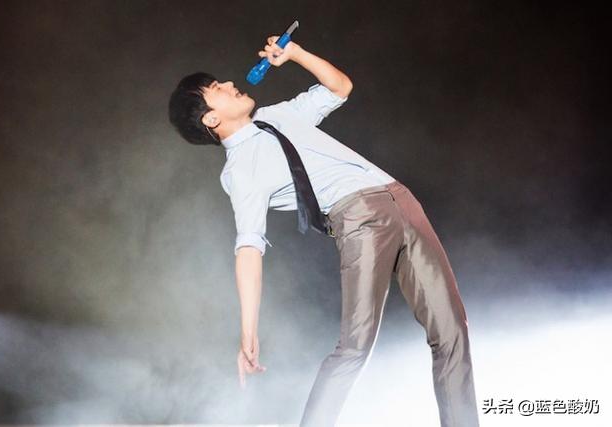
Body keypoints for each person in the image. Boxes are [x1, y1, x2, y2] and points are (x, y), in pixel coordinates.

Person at [168, 35, 480, 427]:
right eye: (217, 89)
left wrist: (296, 54)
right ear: (211, 119)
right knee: (355, 347)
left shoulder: (277, 115)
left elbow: (340, 87)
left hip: (401, 199)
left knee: (453, 330)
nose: (230, 84)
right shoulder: (240, 170)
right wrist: (248, 330)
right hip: (360, 220)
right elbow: (249, 246)